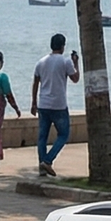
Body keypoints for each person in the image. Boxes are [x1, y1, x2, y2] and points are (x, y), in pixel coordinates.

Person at [31, 33, 80, 177]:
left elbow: (35, 83)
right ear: (62, 46)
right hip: (59, 105)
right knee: (63, 134)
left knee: (42, 137)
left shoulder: (41, 62)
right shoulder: (66, 62)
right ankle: (47, 160)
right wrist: (76, 62)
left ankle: (42, 166)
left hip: (43, 104)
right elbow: (75, 79)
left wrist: (33, 102)